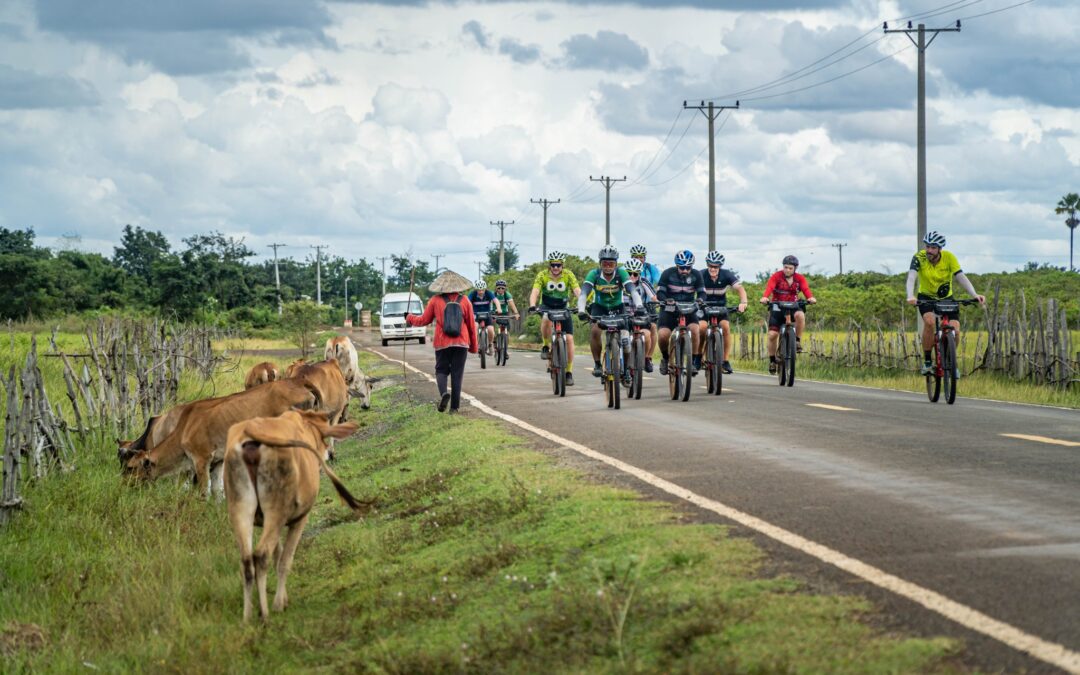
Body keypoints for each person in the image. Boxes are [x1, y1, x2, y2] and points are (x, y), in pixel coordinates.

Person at [905, 231, 985, 375]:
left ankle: (950, 361)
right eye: (927, 247)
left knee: (956, 330)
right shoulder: (919, 257)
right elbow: (912, 277)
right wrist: (910, 295)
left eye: (933, 247)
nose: (929, 250)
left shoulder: (949, 257)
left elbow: (960, 277)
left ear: (940, 249)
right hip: (926, 297)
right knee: (929, 322)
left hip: (946, 298)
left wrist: (974, 295)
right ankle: (928, 362)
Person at [405, 270, 478, 413]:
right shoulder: (465, 301)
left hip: (442, 343)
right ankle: (454, 409)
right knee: (457, 375)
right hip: (461, 343)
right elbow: (471, 326)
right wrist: (474, 347)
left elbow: (423, 320)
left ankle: (444, 393)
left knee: (441, 371)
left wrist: (409, 317)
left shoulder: (435, 300)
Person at [577, 245, 642, 379]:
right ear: (600, 263)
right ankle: (597, 364)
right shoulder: (594, 274)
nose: (607, 267)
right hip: (599, 307)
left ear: (616, 264)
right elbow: (583, 293)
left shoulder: (621, 273)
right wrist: (581, 310)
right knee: (595, 331)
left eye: (611, 264)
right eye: (605, 264)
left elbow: (632, 290)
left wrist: (639, 306)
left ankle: (626, 369)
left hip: (618, 308)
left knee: (626, 341)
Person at [528, 250, 581, 386]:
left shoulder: (568, 274)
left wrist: (582, 304)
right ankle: (546, 346)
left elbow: (577, 290)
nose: (556, 268)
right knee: (546, 319)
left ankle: (568, 372)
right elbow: (535, 291)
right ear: (549, 265)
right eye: (553, 265)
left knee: (569, 339)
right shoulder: (542, 275)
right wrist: (533, 305)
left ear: (562, 265)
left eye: (558, 265)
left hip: (563, 307)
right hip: (547, 306)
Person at [759, 255, 816, 374]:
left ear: (795, 268)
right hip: (777, 306)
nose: (787, 270)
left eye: (790, 268)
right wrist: (765, 297)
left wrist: (810, 297)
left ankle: (797, 341)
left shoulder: (799, 278)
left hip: (793, 305)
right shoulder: (776, 276)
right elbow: (770, 287)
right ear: (783, 267)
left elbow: (805, 289)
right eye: (785, 267)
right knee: (772, 335)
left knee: (800, 315)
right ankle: (772, 361)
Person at [656, 249, 706, 375]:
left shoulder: (696, 275)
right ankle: (665, 358)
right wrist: (666, 300)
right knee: (663, 335)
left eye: (688, 268)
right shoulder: (667, 273)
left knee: (695, 329)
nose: (685, 270)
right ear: (677, 266)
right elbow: (660, 292)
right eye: (682, 267)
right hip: (670, 309)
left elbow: (702, 292)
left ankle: (693, 361)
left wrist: (700, 300)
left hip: (689, 308)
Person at [698, 251, 747, 374]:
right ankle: (698, 357)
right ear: (707, 265)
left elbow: (740, 288)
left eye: (716, 266)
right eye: (710, 266)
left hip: (721, 307)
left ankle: (725, 360)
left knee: (725, 327)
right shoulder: (701, 274)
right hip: (703, 307)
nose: (713, 269)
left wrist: (743, 302)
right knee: (702, 328)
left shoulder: (726, 274)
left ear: (720, 266)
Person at [622, 257, 658, 372]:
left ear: (639, 274)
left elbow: (654, 297)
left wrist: (659, 303)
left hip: (639, 315)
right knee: (622, 338)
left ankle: (646, 359)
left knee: (647, 334)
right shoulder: (619, 282)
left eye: (635, 274)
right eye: (629, 273)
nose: (632, 276)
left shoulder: (644, 282)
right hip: (624, 315)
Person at [630, 244, 660, 362]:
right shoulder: (625, 269)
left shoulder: (650, 268)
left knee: (653, 327)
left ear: (644, 258)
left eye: (641, 257)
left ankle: (648, 357)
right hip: (630, 305)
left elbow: (659, 282)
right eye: (636, 257)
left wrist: (659, 295)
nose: (639, 259)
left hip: (648, 304)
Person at [492, 279, 520, 362]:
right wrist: (491, 313)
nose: (500, 290)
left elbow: (512, 305)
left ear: (505, 288)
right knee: (492, 327)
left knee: (506, 332)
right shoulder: (493, 295)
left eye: (502, 288)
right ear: (496, 288)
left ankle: (505, 350)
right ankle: (494, 341)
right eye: (499, 288)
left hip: (504, 313)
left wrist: (516, 313)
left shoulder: (507, 295)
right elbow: (489, 305)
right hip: (494, 313)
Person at [468, 279, 497, 356]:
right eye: (479, 290)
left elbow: (495, 300)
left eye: (482, 290)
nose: (481, 292)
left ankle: (490, 344)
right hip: (476, 314)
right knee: (475, 327)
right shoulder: (472, 294)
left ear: (485, 289)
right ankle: (476, 344)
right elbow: (467, 303)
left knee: (491, 330)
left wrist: (499, 308)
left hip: (487, 314)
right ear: (476, 289)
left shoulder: (488, 293)